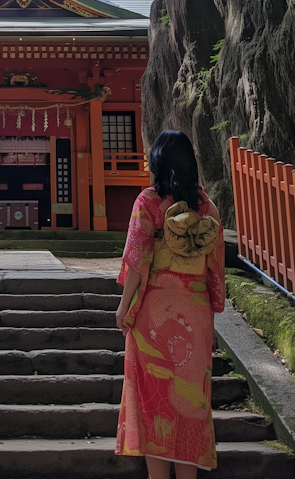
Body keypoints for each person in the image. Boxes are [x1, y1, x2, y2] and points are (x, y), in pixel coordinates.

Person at [114, 130, 226, 479]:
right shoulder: (208, 208)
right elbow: (216, 268)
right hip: (194, 308)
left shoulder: (147, 202)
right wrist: (212, 306)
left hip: (154, 312)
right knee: (192, 402)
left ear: (158, 163)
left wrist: (122, 307)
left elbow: (137, 259)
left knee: (153, 402)